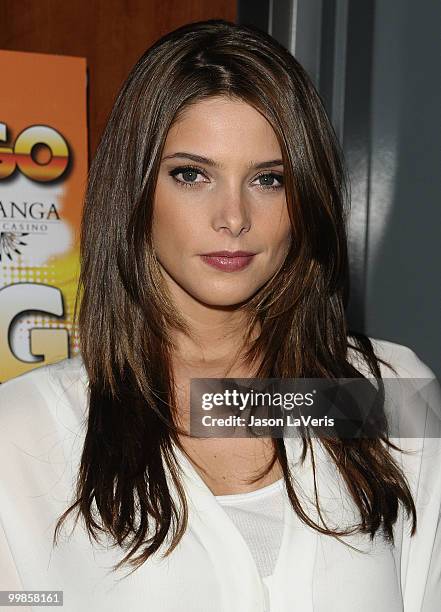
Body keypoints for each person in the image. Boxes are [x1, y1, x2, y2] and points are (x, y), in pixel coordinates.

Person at [0, 18, 440, 612]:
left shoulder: (388, 392)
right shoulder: (24, 431)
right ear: (135, 189)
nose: (233, 216)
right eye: (192, 174)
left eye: (268, 179)